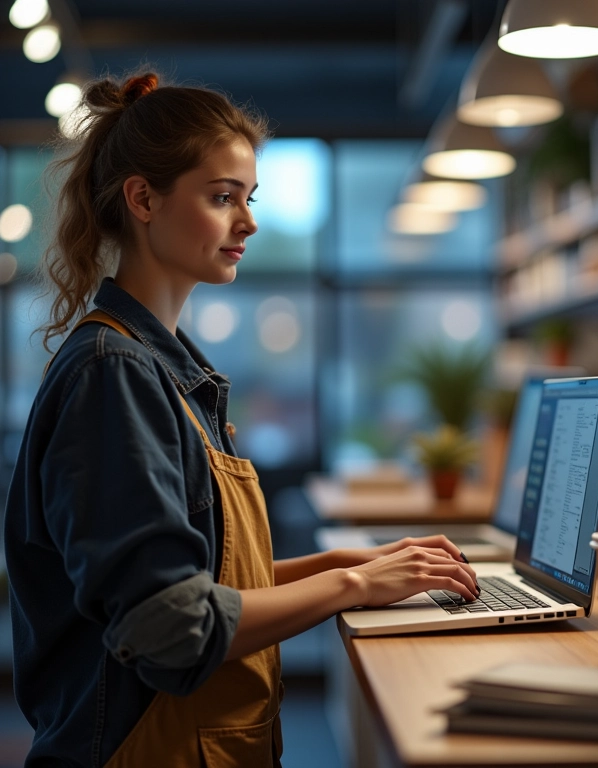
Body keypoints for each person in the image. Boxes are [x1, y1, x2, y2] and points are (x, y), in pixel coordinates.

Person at [3, 72, 479, 767]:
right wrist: (353, 586)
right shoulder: (115, 374)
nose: (249, 222)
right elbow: (172, 629)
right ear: (143, 198)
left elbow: (202, 582)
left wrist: (357, 560)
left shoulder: (159, 367)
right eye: (222, 197)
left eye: (247, 198)